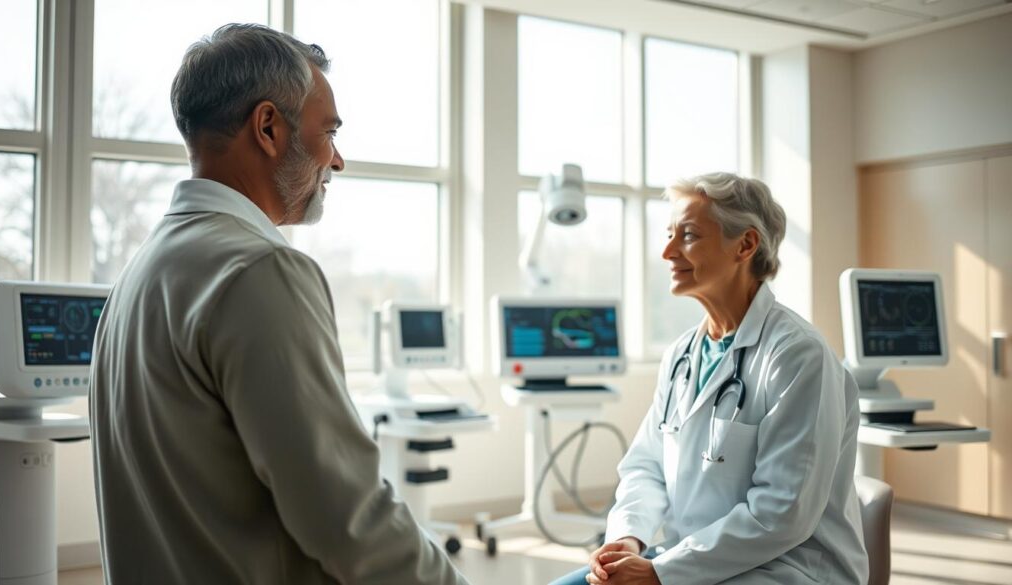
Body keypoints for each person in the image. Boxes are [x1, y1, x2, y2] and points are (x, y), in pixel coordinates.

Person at [89, 24, 467, 585]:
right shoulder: (260, 271)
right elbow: (351, 524)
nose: (337, 160)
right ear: (268, 127)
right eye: (329, 132)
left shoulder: (140, 274)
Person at [551, 172, 869, 585]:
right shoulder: (683, 353)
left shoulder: (798, 355)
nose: (667, 251)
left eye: (687, 236)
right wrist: (628, 539)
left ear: (745, 245)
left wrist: (662, 574)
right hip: (693, 558)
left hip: (788, 569)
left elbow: (782, 513)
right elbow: (646, 465)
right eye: (669, 235)